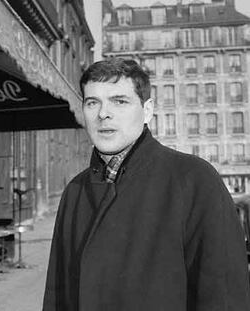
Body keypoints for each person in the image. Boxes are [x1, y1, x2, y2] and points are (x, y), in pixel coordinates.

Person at [43, 58, 250, 310]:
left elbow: (223, 293)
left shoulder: (193, 178)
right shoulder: (75, 192)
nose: (103, 113)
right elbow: (58, 294)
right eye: (92, 102)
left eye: (119, 101)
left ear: (147, 111)